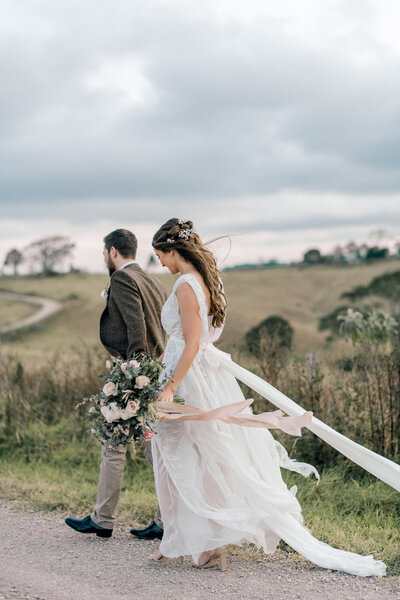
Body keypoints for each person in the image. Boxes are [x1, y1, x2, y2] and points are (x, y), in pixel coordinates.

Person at [148, 217, 386, 577]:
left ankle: (202, 541)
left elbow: (192, 342)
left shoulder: (184, 285)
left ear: (171, 250)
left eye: (160, 256)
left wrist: (168, 387)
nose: (160, 264)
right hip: (201, 375)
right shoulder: (205, 281)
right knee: (202, 455)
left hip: (188, 378)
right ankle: (187, 540)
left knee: (180, 456)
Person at [65, 229, 167, 540]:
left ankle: (105, 519)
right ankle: (159, 520)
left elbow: (136, 326)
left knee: (120, 446)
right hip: (156, 371)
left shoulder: (122, 279)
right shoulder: (152, 280)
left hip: (136, 376)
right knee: (152, 449)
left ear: (112, 252)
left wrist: (135, 374)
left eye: (104, 254)